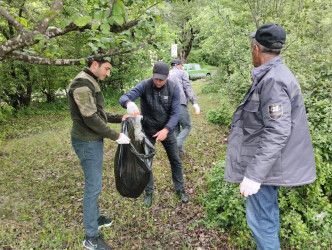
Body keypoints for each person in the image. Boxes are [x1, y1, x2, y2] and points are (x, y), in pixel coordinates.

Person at [224, 23, 316, 249]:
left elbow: (277, 131)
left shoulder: (273, 80)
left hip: (264, 168)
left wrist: (254, 176)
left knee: (261, 222)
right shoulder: (277, 74)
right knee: (267, 216)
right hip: (270, 165)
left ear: (256, 49)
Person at [68, 56, 131, 250]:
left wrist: (120, 116)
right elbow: (91, 119)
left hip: (93, 140)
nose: (108, 73)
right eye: (107, 68)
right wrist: (116, 136)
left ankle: (95, 218)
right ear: (94, 64)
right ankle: (91, 237)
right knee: (93, 187)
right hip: (87, 142)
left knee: (96, 183)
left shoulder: (91, 80)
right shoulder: (81, 84)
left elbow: (99, 113)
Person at [119, 61, 189, 207]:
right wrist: (128, 103)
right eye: (156, 78)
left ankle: (180, 189)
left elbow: (176, 113)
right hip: (148, 129)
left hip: (166, 130)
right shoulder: (145, 85)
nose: (158, 82)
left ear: (168, 76)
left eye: (161, 79)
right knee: (146, 163)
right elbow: (124, 97)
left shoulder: (174, 88)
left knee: (175, 160)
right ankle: (148, 192)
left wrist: (167, 129)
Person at [169, 59, 200, 158]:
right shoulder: (182, 73)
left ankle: (180, 153)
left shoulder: (167, 74)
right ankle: (176, 145)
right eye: (182, 65)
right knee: (187, 126)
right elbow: (187, 87)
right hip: (179, 103)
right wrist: (194, 103)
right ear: (179, 65)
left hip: (168, 106)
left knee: (176, 129)